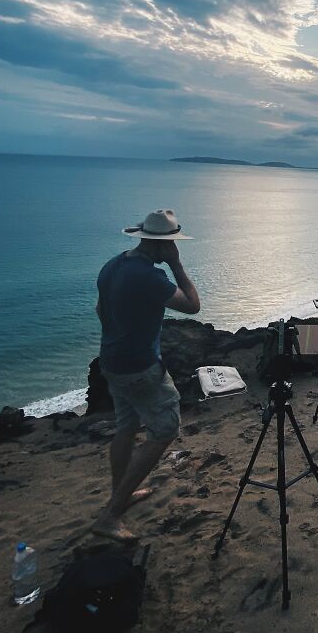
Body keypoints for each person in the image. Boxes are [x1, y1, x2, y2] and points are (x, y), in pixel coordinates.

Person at [92, 209, 201, 542]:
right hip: (140, 368)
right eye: (171, 244)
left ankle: (120, 496)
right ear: (165, 244)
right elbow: (193, 305)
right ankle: (110, 514)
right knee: (165, 430)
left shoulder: (114, 265)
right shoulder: (148, 276)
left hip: (111, 361)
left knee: (126, 427)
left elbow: (100, 310)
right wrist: (177, 265)